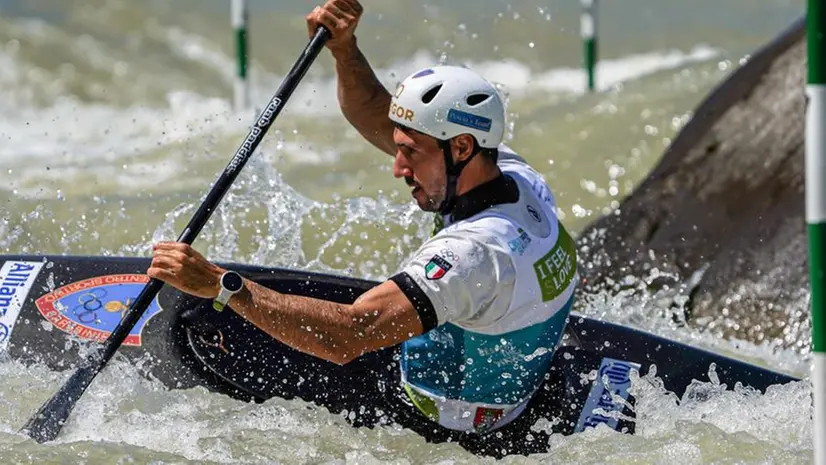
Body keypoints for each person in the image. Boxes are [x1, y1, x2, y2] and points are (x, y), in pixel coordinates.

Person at [147, 0, 578, 438]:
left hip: (431, 412)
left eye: (410, 153)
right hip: (490, 359)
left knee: (205, 321)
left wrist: (220, 284)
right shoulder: (514, 176)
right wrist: (344, 49)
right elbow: (375, 111)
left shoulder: (475, 254)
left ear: (462, 148)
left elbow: (348, 336)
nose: (397, 167)